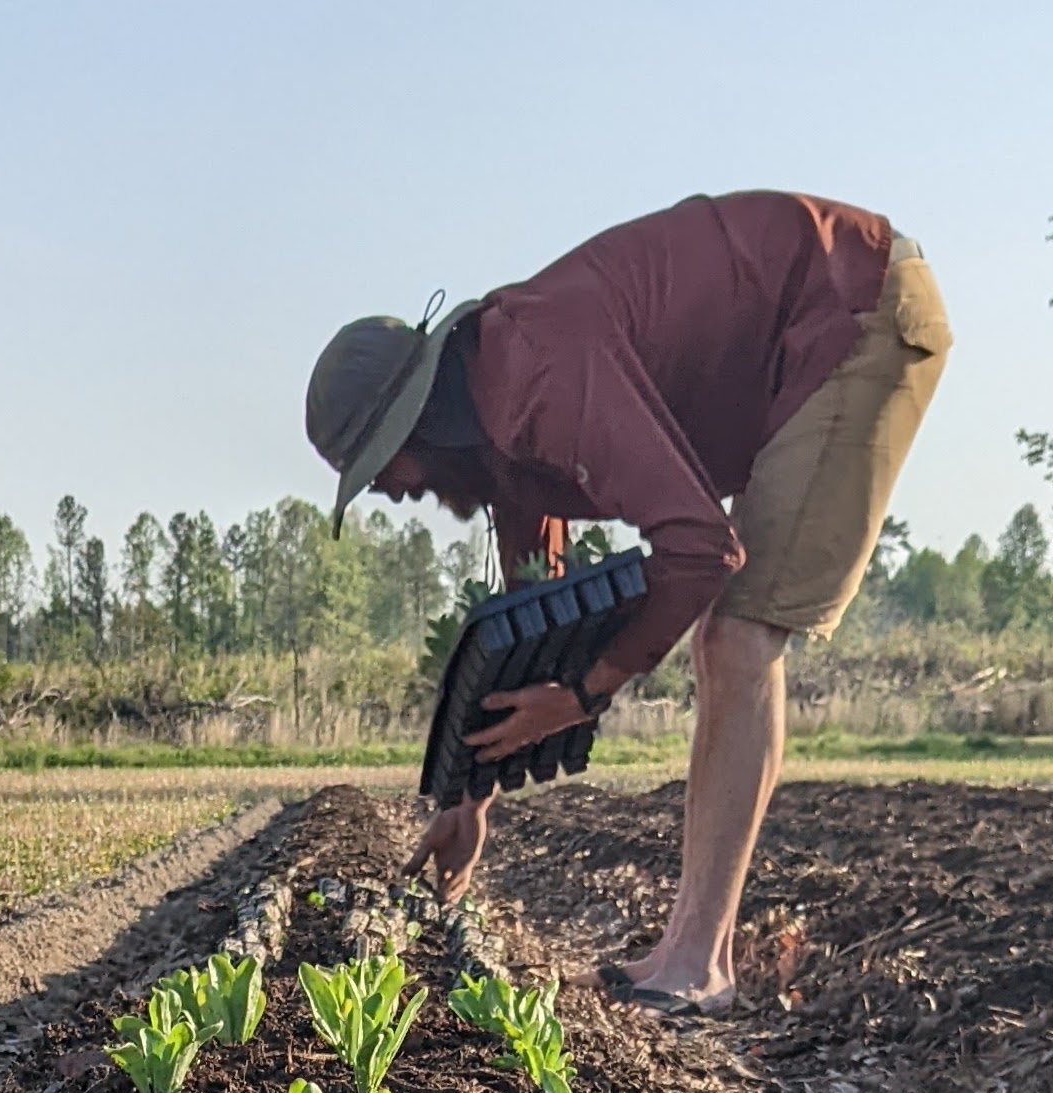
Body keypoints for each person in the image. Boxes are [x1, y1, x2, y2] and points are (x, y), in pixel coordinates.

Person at [305, 191, 949, 1016]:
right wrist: (471, 798)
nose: (395, 496)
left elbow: (699, 549)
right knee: (732, 636)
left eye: (385, 471)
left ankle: (698, 964)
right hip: (789, 330)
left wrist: (585, 695)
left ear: (418, 425)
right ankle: (691, 950)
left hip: (844, 306)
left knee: (738, 635)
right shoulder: (501, 431)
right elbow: (534, 624)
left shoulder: (536, 377)